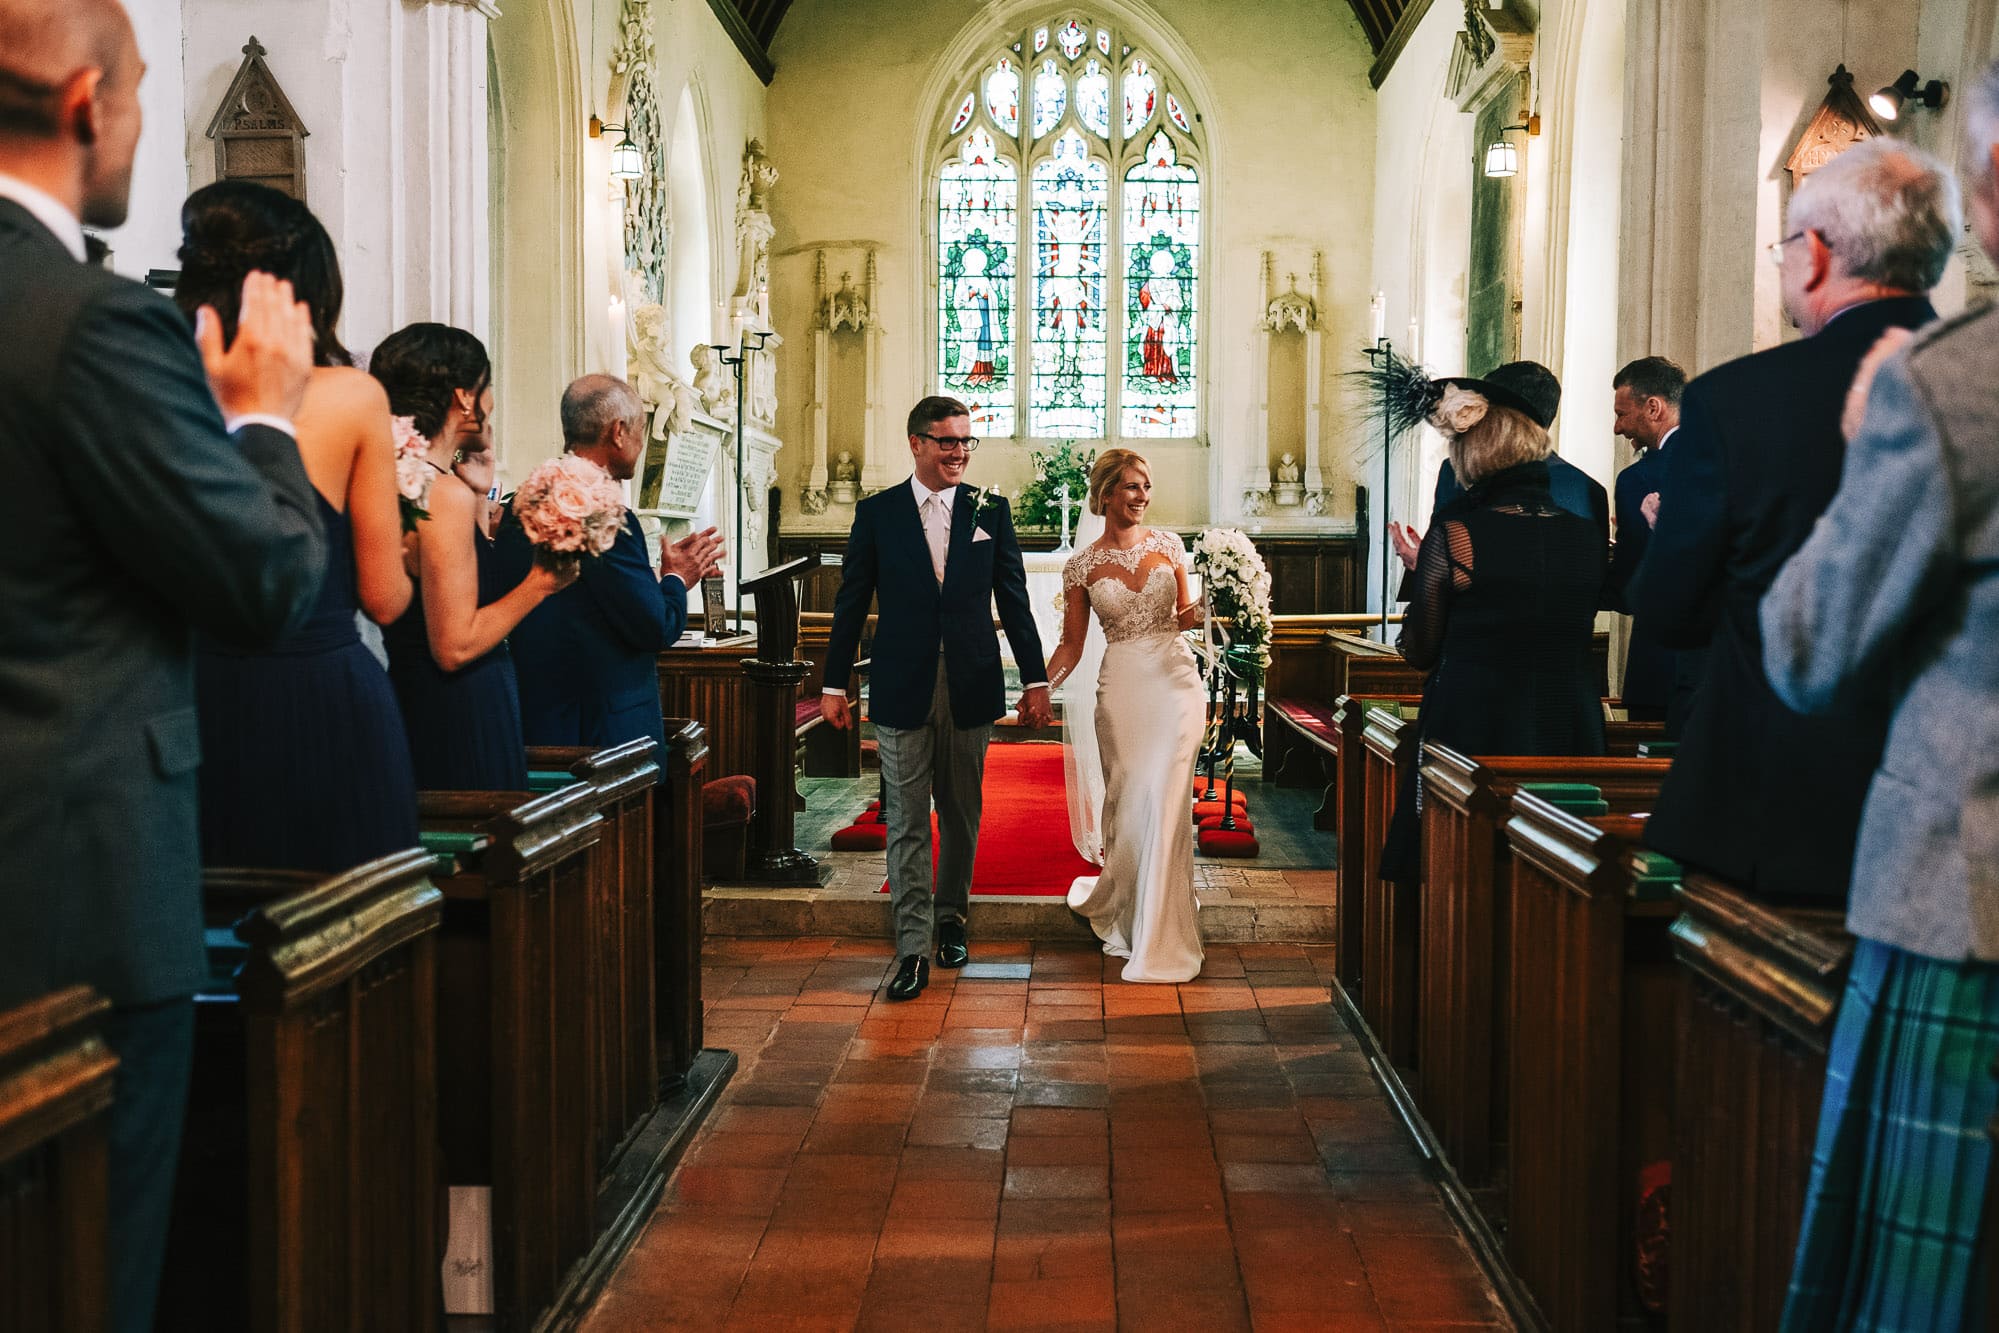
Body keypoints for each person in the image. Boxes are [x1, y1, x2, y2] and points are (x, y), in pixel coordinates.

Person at [0, 4, 323, 1328]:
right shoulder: (83, 322)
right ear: (88, 105)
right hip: (71, 893)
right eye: (135, 89)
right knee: (87, 1280)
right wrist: (259, 413)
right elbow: (265, 584)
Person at [1759, 61, 1999, 1331]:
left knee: (1918, 1286)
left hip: (1966, 909)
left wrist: (1866, 453)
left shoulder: (1948, 384)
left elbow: (1807, 645)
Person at [1628, 136, 1955, 906]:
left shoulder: (1738, 400)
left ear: (1811, 254)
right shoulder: (1978, 381)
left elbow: (1669, 608)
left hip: (1776, 792)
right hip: (1953, 802)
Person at [174, 180, 421, 872]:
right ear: (308, 291)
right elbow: (382, 596)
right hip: (319, 695)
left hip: (191, 698)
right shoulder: (349, 396)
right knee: (347, 936)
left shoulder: (153, 380)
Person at [818, 396, 1051, 1000]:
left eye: (966, 441)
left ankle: (952, 918)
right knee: (905, 820)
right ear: (916, 443)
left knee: (961, 810)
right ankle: (912, 946)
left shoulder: (989, 510)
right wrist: (832, 683)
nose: (959, 452)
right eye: (946, 441)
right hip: (900, 681)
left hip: (971, 680)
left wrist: (1035, 680)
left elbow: (1015, 601)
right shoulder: (878, 514)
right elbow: (851, 603)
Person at [1378, 367, 1606, 884]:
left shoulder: (1459, 535)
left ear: (1477, 450)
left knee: (1464, 869)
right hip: (1567, 722)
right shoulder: (1587, 535)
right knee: (1554, 870)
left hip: (1476, 723)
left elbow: (1419, 649)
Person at [374, 324, 574, 790]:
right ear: (465, 397)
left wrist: (479, 495)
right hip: (458, 709)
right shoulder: (442, 495)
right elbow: (454, 644)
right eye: (487, 388)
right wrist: (541, 583)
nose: (490, 403)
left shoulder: (403, 479)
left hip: (411, 696)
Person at [1044, 449, 1206, 983]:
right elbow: (1072, 644)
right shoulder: (1082, 566)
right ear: (1106, 493)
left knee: (1166, 801)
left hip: (1176, 685)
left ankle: (1165, 933)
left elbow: (1184, 616)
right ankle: (1131, 911)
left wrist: (1209, 607)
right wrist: (1041, 687)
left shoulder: (1169, 546)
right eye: (1132, 487)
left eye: (1146, 487)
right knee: (1132, 799)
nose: (1142, 497)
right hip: (1123, 690)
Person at [498, 374, 724, 751]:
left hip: (536, 718)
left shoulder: (519, 506)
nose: (640, 439)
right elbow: (654, 627)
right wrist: (675, 579)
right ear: (618, 432)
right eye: (640, 428)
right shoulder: (606, 517)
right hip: (605, 737)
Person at [1387, 359, 1609, 578]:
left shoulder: (1458, 472)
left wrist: (1427, 566)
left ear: (1501, 417)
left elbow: (1446, 568)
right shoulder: (1589, 489)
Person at [1604, 356, 1685, 727]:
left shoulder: (1639, 478)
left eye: (1622, 414)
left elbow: (1631, 588)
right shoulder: (1731, 456)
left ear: (1654, 407)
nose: (1618, 427)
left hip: (1662, 669)